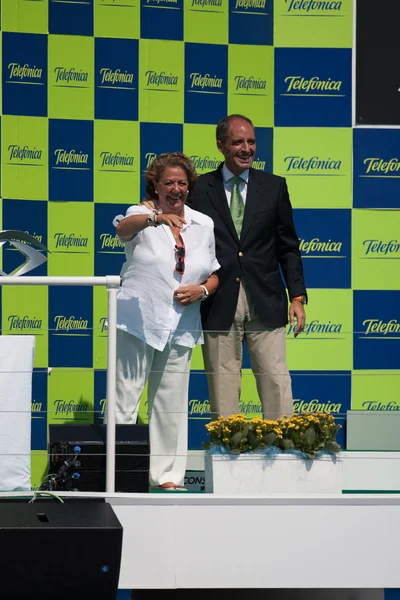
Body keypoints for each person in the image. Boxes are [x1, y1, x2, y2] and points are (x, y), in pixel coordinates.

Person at [188, 114, 307, 420]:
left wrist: (297, 297)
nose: (246, 148)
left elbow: (288, 246)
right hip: (217, 299)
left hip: (266, 298)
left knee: (276, 382)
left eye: (251, 141)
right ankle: (227, 457)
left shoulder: (274, 186)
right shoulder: (198, 189)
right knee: (222, 386)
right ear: (220, 146)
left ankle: (285, 450)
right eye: (237, 142)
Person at [114, 152, 220, 491]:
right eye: (168, 183)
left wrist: (202, 289)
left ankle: (167, 479)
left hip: (182, 325)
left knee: (171, 405)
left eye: (182, 183)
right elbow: (121, 229)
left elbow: (215, 272)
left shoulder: (204, 223)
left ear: (190, 187)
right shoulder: (140, 214)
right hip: (138, 318)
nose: (176, 189)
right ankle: (119, 476)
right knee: (124, 400)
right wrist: (155, 219)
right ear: (156, 186)